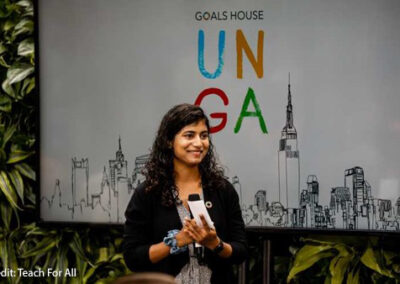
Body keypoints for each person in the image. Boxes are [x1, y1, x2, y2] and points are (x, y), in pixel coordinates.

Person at [123, 104, 248, 283]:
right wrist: (176, 241)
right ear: (168, 140)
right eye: (189, 135)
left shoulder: (222, 190)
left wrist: (216, 244)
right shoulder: (148, 193)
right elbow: (133, 257)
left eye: (203, 136)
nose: (198, 143)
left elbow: (241, 251)